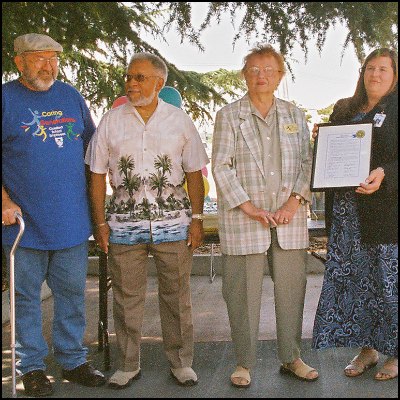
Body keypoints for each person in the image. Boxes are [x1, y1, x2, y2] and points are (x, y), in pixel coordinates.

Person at [85, 52, 209, 389]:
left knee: (177, 296)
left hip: (174, 224)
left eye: (139, 77)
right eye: (128, 77)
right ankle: (127, 365)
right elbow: (96, 174)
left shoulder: (180, 121)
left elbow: (195, 173)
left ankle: (181, 363)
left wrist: (196, 220)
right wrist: (100, 224)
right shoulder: (111, 120)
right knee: (127, 298)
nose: (131, 83)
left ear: (159, 82)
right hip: (124, 227)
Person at [2, 33, 106, 397]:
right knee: (27, 297)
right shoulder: (5, 99)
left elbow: (94, 149)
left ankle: (73, 360)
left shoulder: (70, 96)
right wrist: (2, 200)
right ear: (19, 62)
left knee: (72, 295)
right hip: (23, 225)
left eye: (54, 59)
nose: (49, 67)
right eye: (39, 59)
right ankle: (30, 367)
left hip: (71, 221)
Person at [211, 43, 318, 388]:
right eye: (254, 69)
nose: (261, 76)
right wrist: (248, 207)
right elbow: (221, 166)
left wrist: (293, 203)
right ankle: (244, 361)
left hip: (289, 220)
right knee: (241, 293)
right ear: (244, 75)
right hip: (246, 220)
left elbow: (307, 162)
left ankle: (291, 357)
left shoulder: (294, 115)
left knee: (291, 290)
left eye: (269, 70)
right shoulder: (229, 115)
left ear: (280, 76)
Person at [312, 48, 398, 381]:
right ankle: (367, 349)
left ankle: (395, 353)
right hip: (347, 217)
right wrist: (322, 141)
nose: (375, 74)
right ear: (362, 72)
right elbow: (330, 156)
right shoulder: (344, 108)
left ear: (394, 75)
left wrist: (385, 174)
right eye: (370, 68)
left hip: (384, 216)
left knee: (387, 285)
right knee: (356, 285)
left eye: (384, 69)